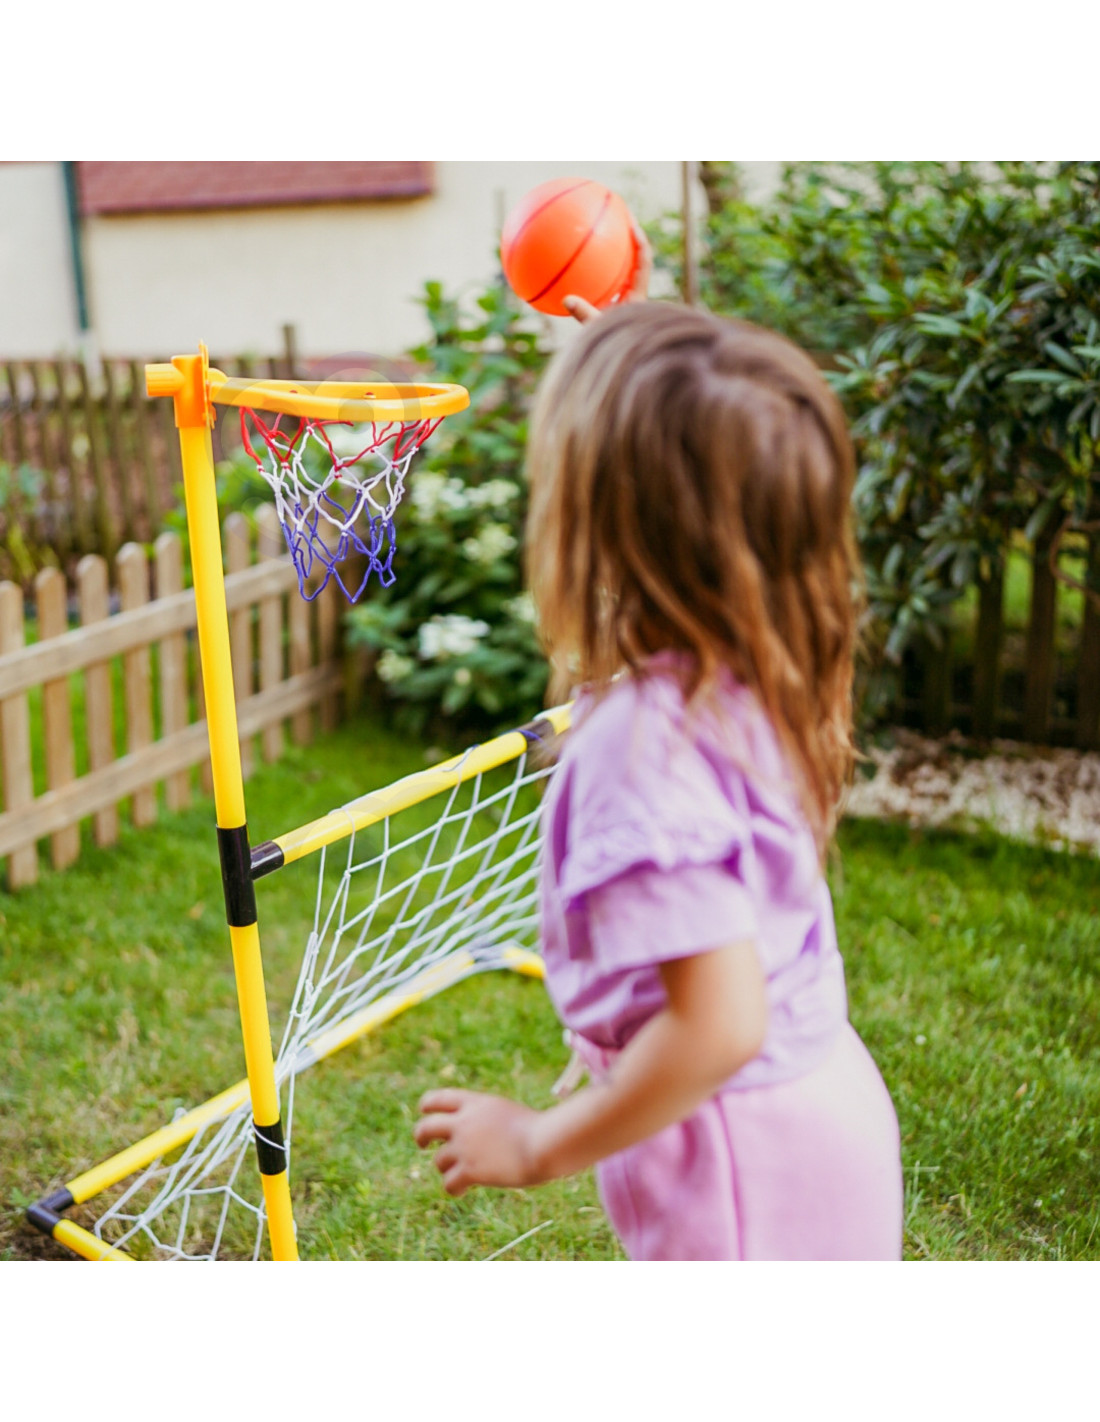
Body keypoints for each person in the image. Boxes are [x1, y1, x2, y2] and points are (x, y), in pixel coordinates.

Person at [413, 252, 904, 1261]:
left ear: (601, 522)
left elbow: (718, 1025)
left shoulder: (642, 748)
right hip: (815, 1110)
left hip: (742, 1168)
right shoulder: (758, 661)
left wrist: (537, 1144)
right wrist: (637, 356)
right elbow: (716, 462)